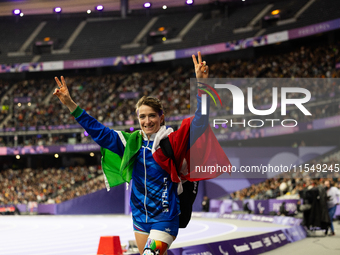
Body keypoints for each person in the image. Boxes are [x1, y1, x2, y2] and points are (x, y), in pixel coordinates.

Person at [53, 52, 212, 255]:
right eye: (142, 117)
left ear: (161, 117)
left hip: (165, 217)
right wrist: (70, 104)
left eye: (152, 116)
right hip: (139, 218)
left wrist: (203, 86)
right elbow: (99, 132)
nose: (147, 121)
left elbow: (200, 121)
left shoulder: (172, 141)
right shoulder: (130, 143)